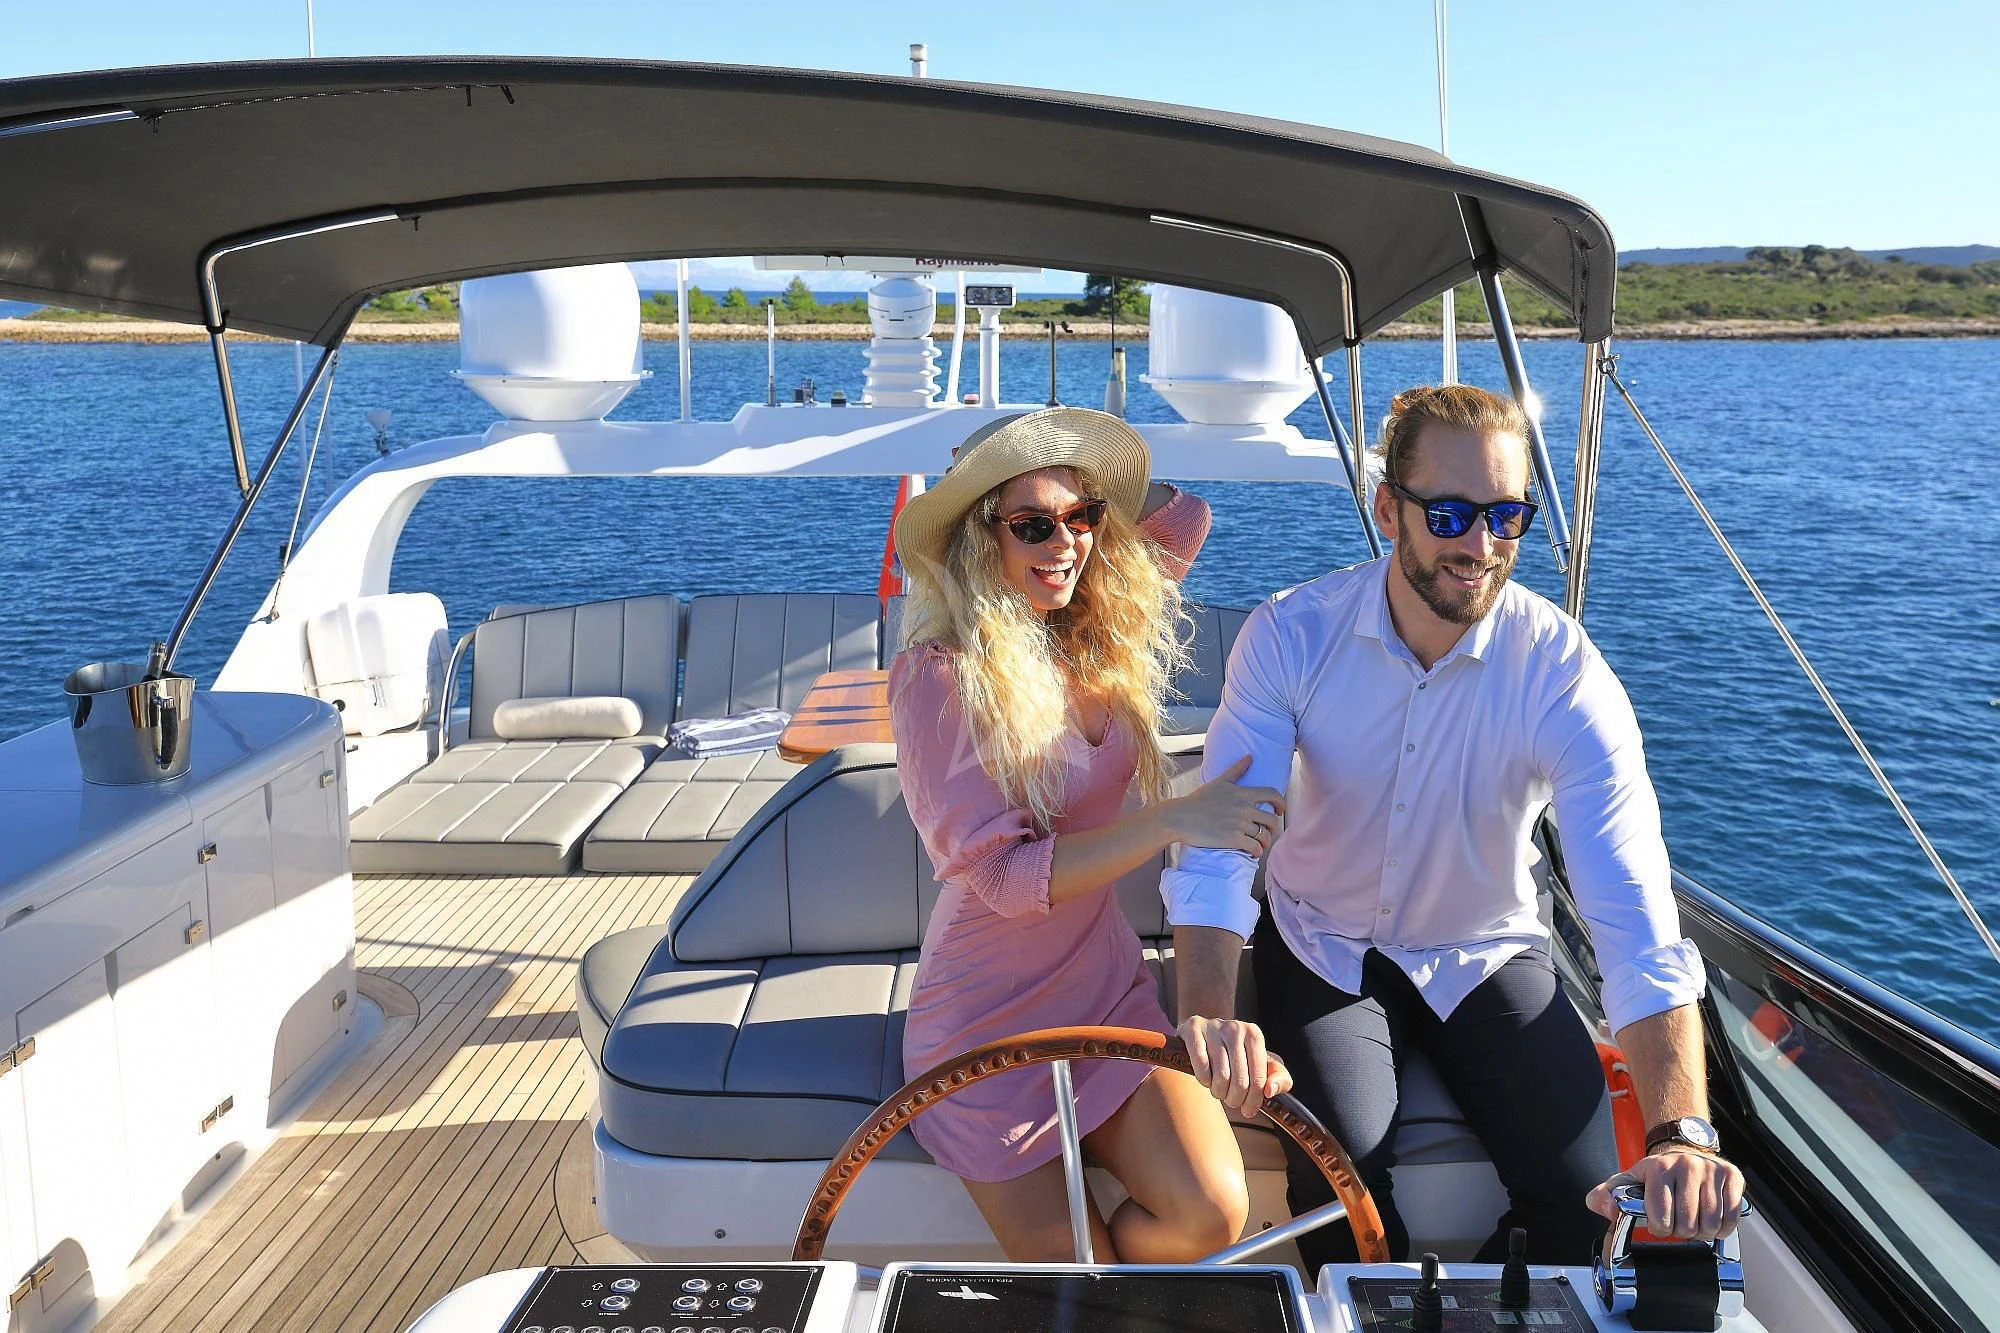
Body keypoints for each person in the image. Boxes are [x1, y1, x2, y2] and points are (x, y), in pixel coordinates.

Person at [1162, 383, 1747, 1269]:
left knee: (1589, 1200)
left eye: (1507, 516)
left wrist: (1685, 1131)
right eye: (1449, 513)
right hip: (1325, 944)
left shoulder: (1561, 675)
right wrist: (1208, 1014)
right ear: (1388, 509)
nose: (1479, 546)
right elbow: (1218, 849)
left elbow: (1633, 914)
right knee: (1339, 1181)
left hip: (1488, 949)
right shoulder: (1290, 636)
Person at [888, 406, 1288, 1263]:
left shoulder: (1095, 629)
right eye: (1031, 523)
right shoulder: (939, 676)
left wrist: (1071, 456)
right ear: (976, 537)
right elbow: (1000, 879)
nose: (1063, 542)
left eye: (1082, 517)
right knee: (1081, 1282)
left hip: (1103, 991)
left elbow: (1186, 516)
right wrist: (1174, 817)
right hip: (983, 1029)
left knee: (1214, 1214)